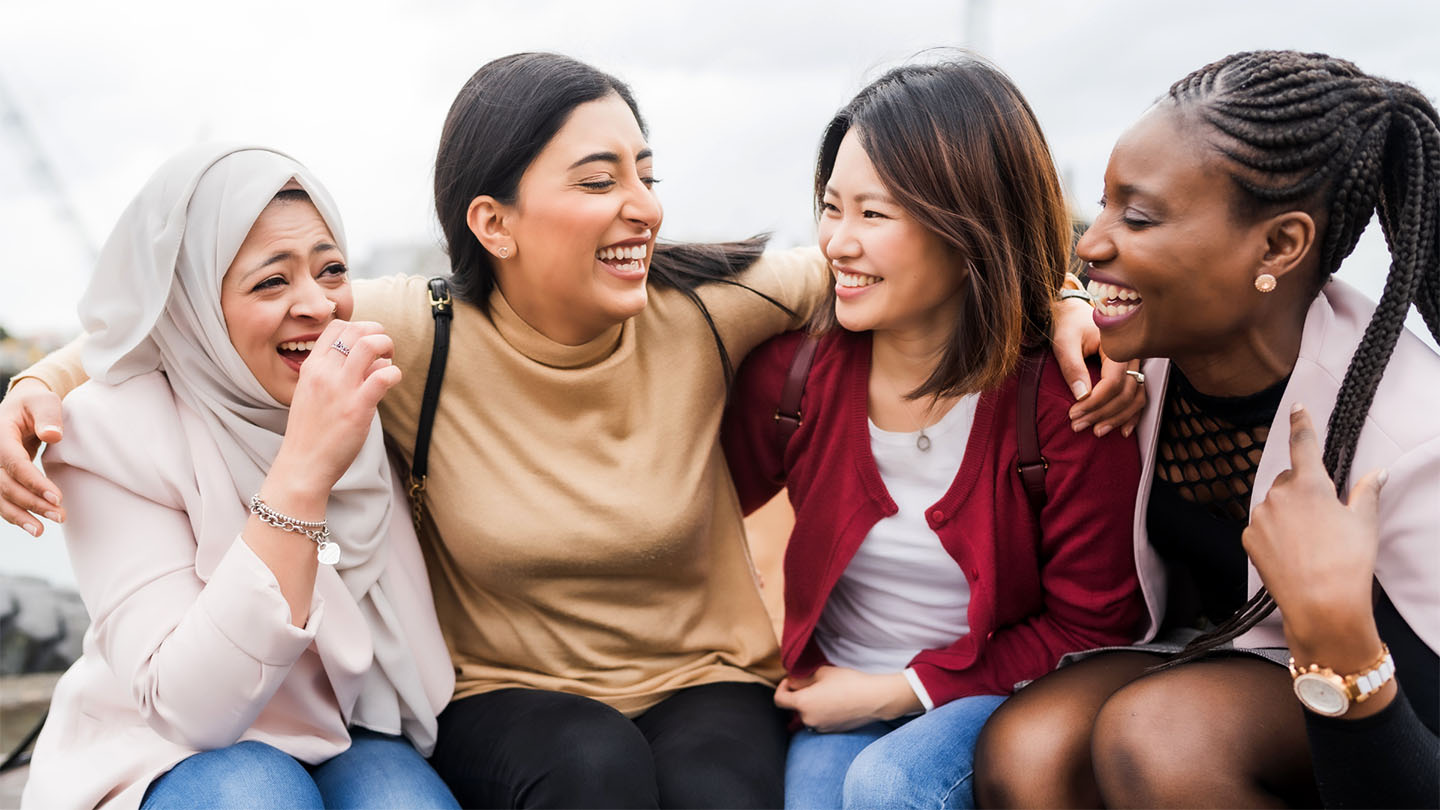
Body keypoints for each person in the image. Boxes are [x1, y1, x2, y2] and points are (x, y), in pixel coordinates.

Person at [1, 53, 1137, 809]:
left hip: (708, 676)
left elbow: (925, 260)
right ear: (491, 222)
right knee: (587, 779)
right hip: (507, 691)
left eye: (647, 171)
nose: (644, 203)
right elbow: (205, 313)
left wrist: (1067, 301)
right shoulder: (412, 327)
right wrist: (36, 385)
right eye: (600, 179)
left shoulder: (709, 306)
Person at [973, 50, 1439, 809]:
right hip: (1220, 654)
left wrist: (1334, 632)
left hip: (1375, 716)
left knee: (1161, 736)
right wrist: (1064, 301)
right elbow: (1000, 273)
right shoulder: (1146, 358)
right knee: (1032, 750)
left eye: (1140, 216)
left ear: (1279, 247)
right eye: (1105, 206)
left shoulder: (1416, 443)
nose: (1092, 242)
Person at [721, 57, 1147, 810]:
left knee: (888, 788)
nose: (837, 244)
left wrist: (901, 691)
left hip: (998, 688)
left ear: (968, 229)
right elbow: (698, 507)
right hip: (831, 693)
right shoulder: (791, 380)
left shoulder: (1070, 396)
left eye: (874, 215)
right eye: (832, 207)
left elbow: (1095, 622)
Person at [17, 145, 457, 809]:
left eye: (332, 269)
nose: (319, 305)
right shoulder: (105, 434)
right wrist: (303, 472)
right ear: (191, 302)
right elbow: (189, 710)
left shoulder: (359, 385)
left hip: (342, 728)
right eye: (271, 282)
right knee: (258, 796)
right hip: (160, 745)